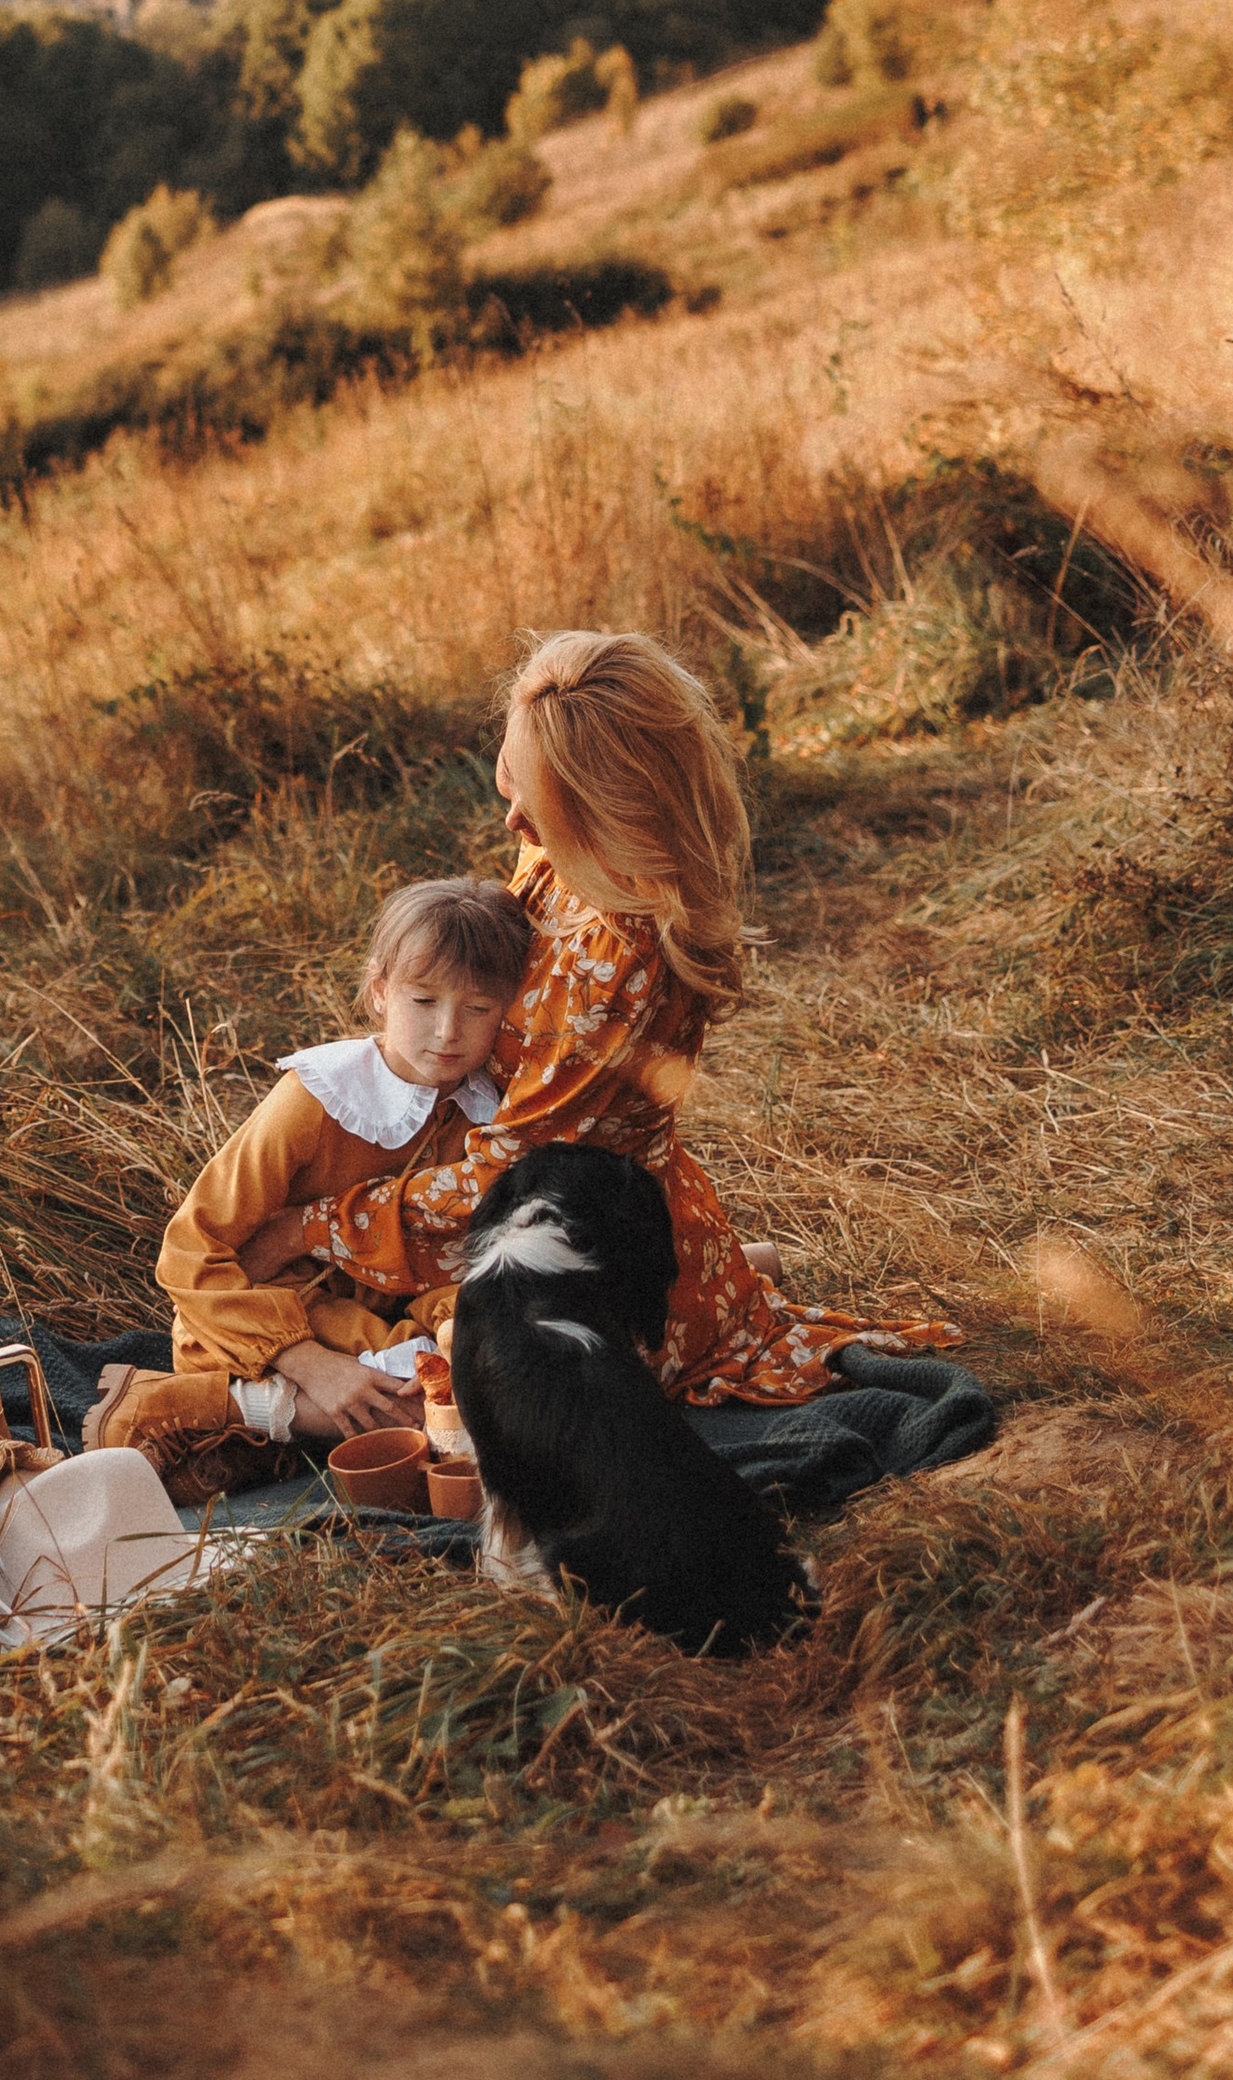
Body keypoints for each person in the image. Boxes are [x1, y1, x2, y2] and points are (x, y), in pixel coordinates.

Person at [268, 628, 951, 1403]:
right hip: (505, 1191)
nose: (513, 821)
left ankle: (709, 1287)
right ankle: (730, 1264)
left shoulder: (621, 954)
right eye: (510, 780)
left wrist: (311, 1226)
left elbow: (512, 1179)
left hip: (591, 1252)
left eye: (538, 805)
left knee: (413, 1397)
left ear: (607, 810)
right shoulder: (565, 853)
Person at [83, 874, 530, 1485]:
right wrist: (310, 1363)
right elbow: (190, 1249)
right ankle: (211, 1406)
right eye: (424, 1002)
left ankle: (258, 1430)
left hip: (383, 1320)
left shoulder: (487, 1111)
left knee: (487, 1383)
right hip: (266, 1314)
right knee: (421, 1412)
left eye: (477, 1009)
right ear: (381, 992)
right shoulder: (319, 1098)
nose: (448, 1031)